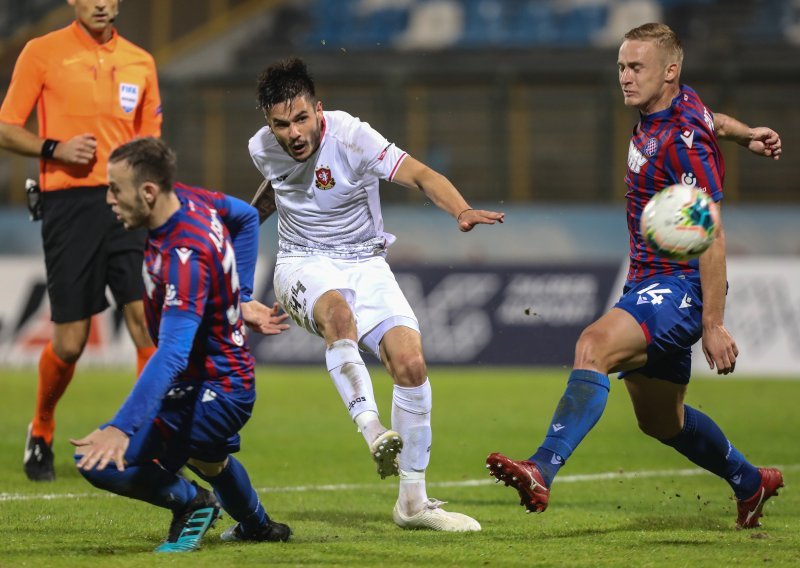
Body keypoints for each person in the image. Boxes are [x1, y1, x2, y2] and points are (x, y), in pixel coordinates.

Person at [487, 22, 784, 530]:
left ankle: (542, 467)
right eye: (622, 66)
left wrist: (713, 323)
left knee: (593, 346)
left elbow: (711, 234)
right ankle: (750, 482)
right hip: (648, 283)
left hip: (682, 287)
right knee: (660, 421)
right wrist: (747, 133)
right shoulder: (678, 106)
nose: (624, 76)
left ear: (669, 70)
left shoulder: (683, 143)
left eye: (636, 67)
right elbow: (714, 119)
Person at [248, 57, 504, 532]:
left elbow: (423, 175)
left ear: (318, 109)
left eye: (302, 118)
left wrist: (461, 210)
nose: (294, 133)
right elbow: (275, 190)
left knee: (411, 364)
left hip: (365, 261)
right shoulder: (262, 147)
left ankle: (412, 504)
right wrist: (233, 249)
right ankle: (372, 430)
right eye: (281, 124)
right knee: (338, 317)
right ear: (269, 124)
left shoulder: (352, 136)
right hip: (301, 260)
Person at [71, 137, 291, 552]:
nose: (109, 199)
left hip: (215, 389)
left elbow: (171, 353)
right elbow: (245, 216)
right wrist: (239, 299)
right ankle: (257, 526)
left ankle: (193, 505)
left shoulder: (183, 256)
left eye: (115, 188)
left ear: (148, 192)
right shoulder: (190, 199)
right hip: (223, 379)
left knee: (97, 460)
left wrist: (122, 427)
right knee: (209, 460)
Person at [0, 0, 162, 482]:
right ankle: (42, 427)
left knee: (144, 324)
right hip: (69, 205)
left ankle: (144, 437)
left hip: (127, 203)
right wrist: (55, 149)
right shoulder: (42, 51)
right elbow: (7, 127)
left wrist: (152, 197)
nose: (99, 3)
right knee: (69, 343)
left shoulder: (141, 61)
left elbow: (151, 143)